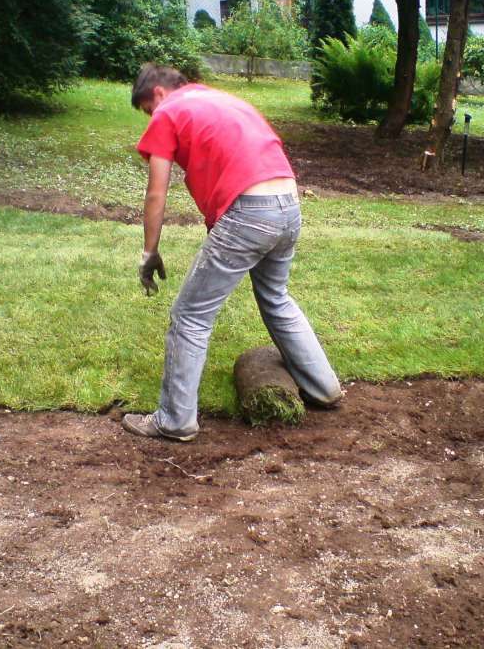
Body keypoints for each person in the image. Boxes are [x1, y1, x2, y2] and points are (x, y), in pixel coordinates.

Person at [122, 64, 342, 442]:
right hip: (288, 204)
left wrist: (150, 251)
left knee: (190, 315)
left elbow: (157, 192)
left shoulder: (169, 111)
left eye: (146, 110)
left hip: (251, 210)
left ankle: (174, 421)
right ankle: (324, 388)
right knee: (276, 297)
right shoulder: (219, 99)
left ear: (157, 94)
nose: (150, 118)